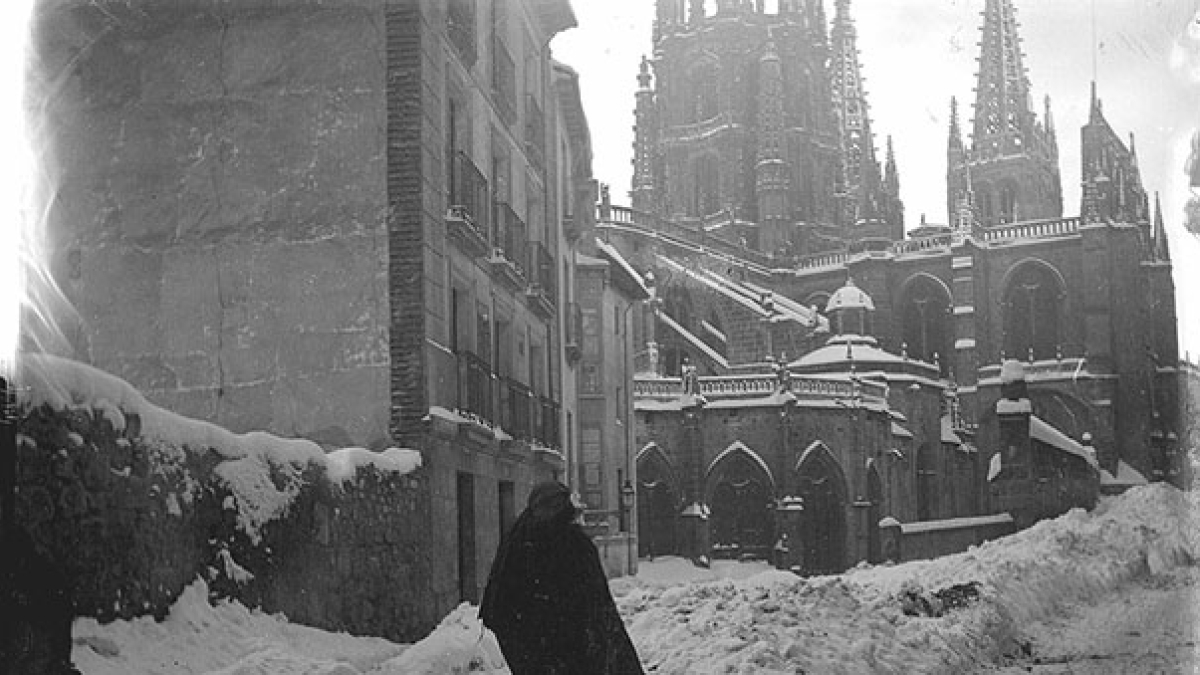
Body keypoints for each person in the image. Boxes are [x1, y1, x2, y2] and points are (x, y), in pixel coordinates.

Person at [480, 481, 644, 675]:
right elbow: (499, 603)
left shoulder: (568, 544)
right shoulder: (520, 544)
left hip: (563, 645)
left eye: (558, 505)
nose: (553, 512)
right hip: (544, 646)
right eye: (550, 505)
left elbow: (597, 604)